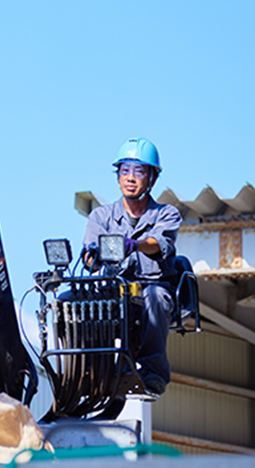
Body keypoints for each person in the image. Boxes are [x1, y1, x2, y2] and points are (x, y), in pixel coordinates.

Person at [82, 137, 182, 395]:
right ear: (117, 177)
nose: (130, 177)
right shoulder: (101, 216)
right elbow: (88, 259)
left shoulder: (166, 214)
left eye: (139, 171)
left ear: (152, 179)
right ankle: (89, 370)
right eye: (125, 170)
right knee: (77, 300)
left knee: (155, 298)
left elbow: (159, 244)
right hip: (115, 289)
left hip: (153, 286)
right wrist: (92, 257)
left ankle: (153, 372)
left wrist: (133, 245)